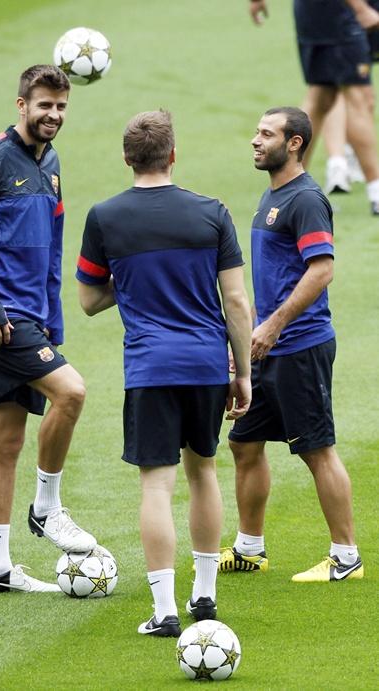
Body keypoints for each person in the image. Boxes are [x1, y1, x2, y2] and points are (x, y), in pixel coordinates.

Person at [76, 110, 252, 635]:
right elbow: (237, 302)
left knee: (156, 487)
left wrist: (129, 281)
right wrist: (242, 373)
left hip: (150, 368)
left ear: (127, 157)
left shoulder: (105, 217)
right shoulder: (212, 213)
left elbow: (87, 300)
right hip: (206, 365)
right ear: (173, 154)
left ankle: (165, 610)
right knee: (204, 473)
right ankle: (204, 597)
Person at [0, 65, 96, 594]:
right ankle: (47, 508)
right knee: (71, 393)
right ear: (21, 105)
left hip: (30, 319)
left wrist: (53, 323)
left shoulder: (50, 164)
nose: (52, 115)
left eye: (61, 107)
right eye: (43, 105)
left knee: (5, 440)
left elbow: (53, 249)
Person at [219, 106, 363, 583]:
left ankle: (346, 557)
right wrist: (247, 337)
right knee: (245, 444)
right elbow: (274, 280)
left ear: (294, 142)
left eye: (266, 134)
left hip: (300, 345)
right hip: (268, 347)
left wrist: (275, 324)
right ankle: (250, 548)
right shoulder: (273, 195)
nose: (256, 141)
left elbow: (322, 269)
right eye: (256, 131)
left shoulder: (305, 199)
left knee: (316, 449)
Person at [248, 0, 379, 214]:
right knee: (359, 96)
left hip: (312, 14)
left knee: (322, 95)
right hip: (340, 15)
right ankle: (376, 192)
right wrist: (361, 9)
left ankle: (288, 190)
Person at [323, 0, 379, 193]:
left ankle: (351, 156)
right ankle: (339, 162)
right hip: (344, 12)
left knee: (359, 91)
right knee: (334, 87)